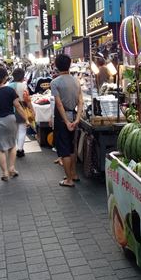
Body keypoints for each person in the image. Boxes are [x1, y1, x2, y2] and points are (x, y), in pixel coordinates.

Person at [0, 67, 29, 181]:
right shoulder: (9, 91)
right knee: (12, 145)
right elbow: (18, 106)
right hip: (9, 120)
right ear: (6, 78)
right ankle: (12, 167)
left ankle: (4, 172)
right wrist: (26, 119)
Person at [51, 54, 83, 187]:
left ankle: (69, 179)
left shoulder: (55, 82)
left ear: (57, 66)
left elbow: (59, 105)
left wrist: (66, 121)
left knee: (64, 149)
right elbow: (81, 101)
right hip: (73, 114)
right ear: (69, 64)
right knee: (72, 147)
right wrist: (77, 119)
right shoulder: (76, 81)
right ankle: (74, 174)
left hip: (62, 117)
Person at [8, 68, 35, 158]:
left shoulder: (8, 86)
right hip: (22, 110)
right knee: (22, 130)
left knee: (14, 131)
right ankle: (20, 149)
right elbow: (27, 100)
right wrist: (32, 110)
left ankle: (14, 148)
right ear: (23, 76)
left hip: (11, 110)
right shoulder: (23, 86)